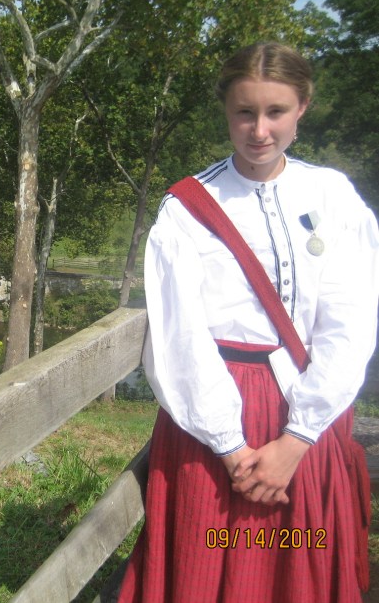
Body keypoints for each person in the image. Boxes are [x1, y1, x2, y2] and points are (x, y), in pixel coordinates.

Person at [117, 42, 379, 602]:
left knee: (297, 567)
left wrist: (296, 439)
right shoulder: (187, 209)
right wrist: (232, 447)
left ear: (303, 106)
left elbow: (350, 320)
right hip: (212, 421)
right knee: (205, 559)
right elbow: (177, 337)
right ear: (226, 110)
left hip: (305, 411)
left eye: (275, 112)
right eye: (244, 112)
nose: (259, 129)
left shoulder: (332, 196)